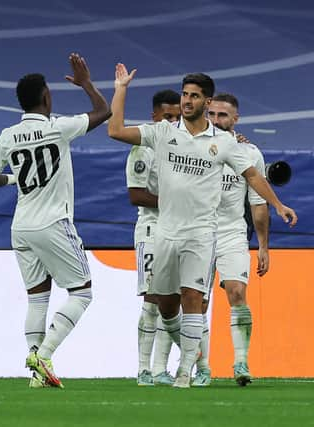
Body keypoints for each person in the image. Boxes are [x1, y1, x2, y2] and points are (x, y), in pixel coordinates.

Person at [107, 63, 297, 388]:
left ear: (207, 102)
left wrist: (278, 205)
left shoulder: (224, 144)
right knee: (166, 306)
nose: (187, 101)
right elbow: (115, 130)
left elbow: (252, 175)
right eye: (185, 94)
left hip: (202, 234)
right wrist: (121, 89)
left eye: (194, 96)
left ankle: (187, 372)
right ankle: (184, 361)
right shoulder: (164, 132)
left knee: (194, 297)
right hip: (166, 233)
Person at [0, 53, 112, 388]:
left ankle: (36, 374)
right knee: (82, 293)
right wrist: (86, 84)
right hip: (53, 223)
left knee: (37, 298)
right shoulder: (59, 128)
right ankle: (45, 353)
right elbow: (104, 113)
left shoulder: (8, 135)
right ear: (46, 97)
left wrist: (17, 180)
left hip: (20, 226)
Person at [191, 93, 270, 387]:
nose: (215, 120)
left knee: (237, 292)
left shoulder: (250, 154)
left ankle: (240, 363)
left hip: (232, 232)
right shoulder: (193, 147)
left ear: (235, 119)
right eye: (211, 114)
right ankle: (201, 368)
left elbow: (258, 204)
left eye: (223, 115)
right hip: (196, 232)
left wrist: (263, 245)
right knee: (196, 302)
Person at [125, 90, 180, 386]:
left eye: (177, 116)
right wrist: (177, 201)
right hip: (151, 229)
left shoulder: (185, 148)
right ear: (154, 117)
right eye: (167, 116)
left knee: (172, 300)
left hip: (179, 230)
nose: (172, 122)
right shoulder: (142, 149)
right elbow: (136, 195)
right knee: (152, 300)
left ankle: (161, 368)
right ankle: (143, 368)